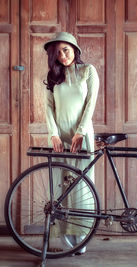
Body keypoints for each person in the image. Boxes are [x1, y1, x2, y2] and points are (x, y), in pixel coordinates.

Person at [44, 32, 99, 255]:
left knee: (82, 188)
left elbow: (90, 104)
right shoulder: (52, 76)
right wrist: (53, 135)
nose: (62, 55)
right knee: (61, 187)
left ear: (75, 49)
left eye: (65, 50)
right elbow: (48, 108)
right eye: (57, 52)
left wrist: (80, 132)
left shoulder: (88, 71)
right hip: (59, 139)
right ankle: (64, 240)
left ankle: (81, 240)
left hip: (81, 137)